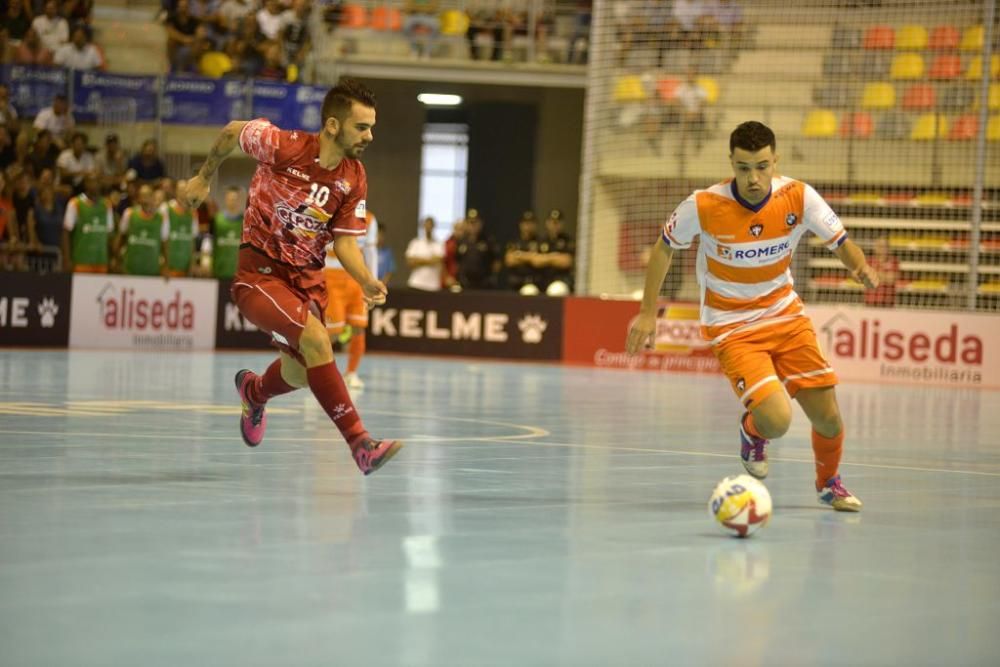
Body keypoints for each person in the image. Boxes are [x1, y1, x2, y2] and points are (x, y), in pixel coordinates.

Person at [626, 121, 879, 512]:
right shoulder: (703, 205)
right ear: (731, 163)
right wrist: (647, 314)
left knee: (829, 420)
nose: (754, 178)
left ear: (775, 160)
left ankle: (829, 484)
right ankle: (751, 431)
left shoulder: (798, 196)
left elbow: (840, 241)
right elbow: (663, 248)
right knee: (777, 421)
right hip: (732, 326)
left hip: (785, 315)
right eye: (744, 168)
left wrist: (859, 266)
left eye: (762, 166)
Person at [185, 76, 402, 475]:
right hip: (260, 274)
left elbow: (345, 243)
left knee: (300, 372)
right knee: (318, 341)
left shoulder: (354, 177)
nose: (370, 135)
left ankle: (254, 391)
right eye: (362, 126)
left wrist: (367, 280)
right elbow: (233, 131)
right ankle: (360, 444)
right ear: (333, 125)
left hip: (307, 281)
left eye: (372, 126)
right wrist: (203, 176)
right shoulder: (282, 146)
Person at [324, 209, 377, 390]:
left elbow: (371, 252)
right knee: (332, 333)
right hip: (331, 279)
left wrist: (372, 281)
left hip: (357, 280)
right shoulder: (329, 212)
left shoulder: (369, 219)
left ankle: (352, 373)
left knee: (359, 327)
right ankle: (320, 375)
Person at [62, 172, 114, 273]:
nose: (94, 184)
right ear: (85, 183)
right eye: (91, 181)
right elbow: (66, 232)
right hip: (82, 260)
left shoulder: (107, 204)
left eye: (97, 181)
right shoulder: (75, 203)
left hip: (101, 261)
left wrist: (111, 258)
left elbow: (109, 234)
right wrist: (67, 259)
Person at [117, 182, 165, 276]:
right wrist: (118, 261)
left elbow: (165, 243)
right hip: (130, 270)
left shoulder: (161, 218)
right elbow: (120, 239)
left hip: (152, 272)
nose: (145, 200)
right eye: (142, 196)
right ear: (138, 198)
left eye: (147, 196)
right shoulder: (129, 214)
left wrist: (166, 266)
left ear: (153, 198)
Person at [160, 179, 198, 277]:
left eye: (185, 190)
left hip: (186, 268)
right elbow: (163, 239)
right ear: (175, 191)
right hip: (169, 268)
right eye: (180, 190)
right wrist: (165, 264)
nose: (183, 193)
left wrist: (192, 264)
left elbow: (192, 240)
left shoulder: (193, 212)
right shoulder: (166, 208)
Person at [536, 208, 575, 295]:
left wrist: (545, 258)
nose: (555, 225)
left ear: (562, 224)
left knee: (556, 290)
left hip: (561, 281)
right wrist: (554, 257)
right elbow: (536, 261)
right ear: (547, 223)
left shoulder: (567, 241)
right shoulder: (541, 241)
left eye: (557, 222)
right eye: (552, 222)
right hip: (544, 281)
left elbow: (566, 261)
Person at [504, 210, 541, 293]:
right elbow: (509, 260)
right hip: (515, 283)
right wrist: (530, 257)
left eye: (531, 223)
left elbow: (538, 261)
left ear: (535, 225)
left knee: (530, 291)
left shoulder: (540, 242)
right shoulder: (514, 242)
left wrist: (519, 255)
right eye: (525, 223)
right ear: (520, 224)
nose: (528, 226)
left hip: (533, 283)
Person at [211, 185, 243, 279]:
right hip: (219, 272)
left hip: (238, 274)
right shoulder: (217, 220)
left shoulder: (245, 222)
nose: (233, 202)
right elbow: (210, 242)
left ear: (239, 201)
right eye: (230, 199)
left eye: (235, 199)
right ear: (226, 199)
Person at [405, 215, 444, 291]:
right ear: (423, 226)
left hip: (433, 285)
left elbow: (438, 260)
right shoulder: (415, 243)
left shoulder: (439, 244)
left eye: (430, 225)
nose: (428, 227)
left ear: (434, 226)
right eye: (427, 225)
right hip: (416, 283)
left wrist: (418, 260)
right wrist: (430, 260)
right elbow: (410, 262)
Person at [863, 236, 898, 308]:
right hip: (870, 302)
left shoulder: (893, 261)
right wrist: (884, 276)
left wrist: (875, 275)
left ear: (888, 248)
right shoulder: (869, 261)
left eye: (884, 246)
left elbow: (892, 279)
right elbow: (866, 278)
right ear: (875, 248)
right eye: (879, 246)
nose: (882, 249)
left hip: (888, 303)